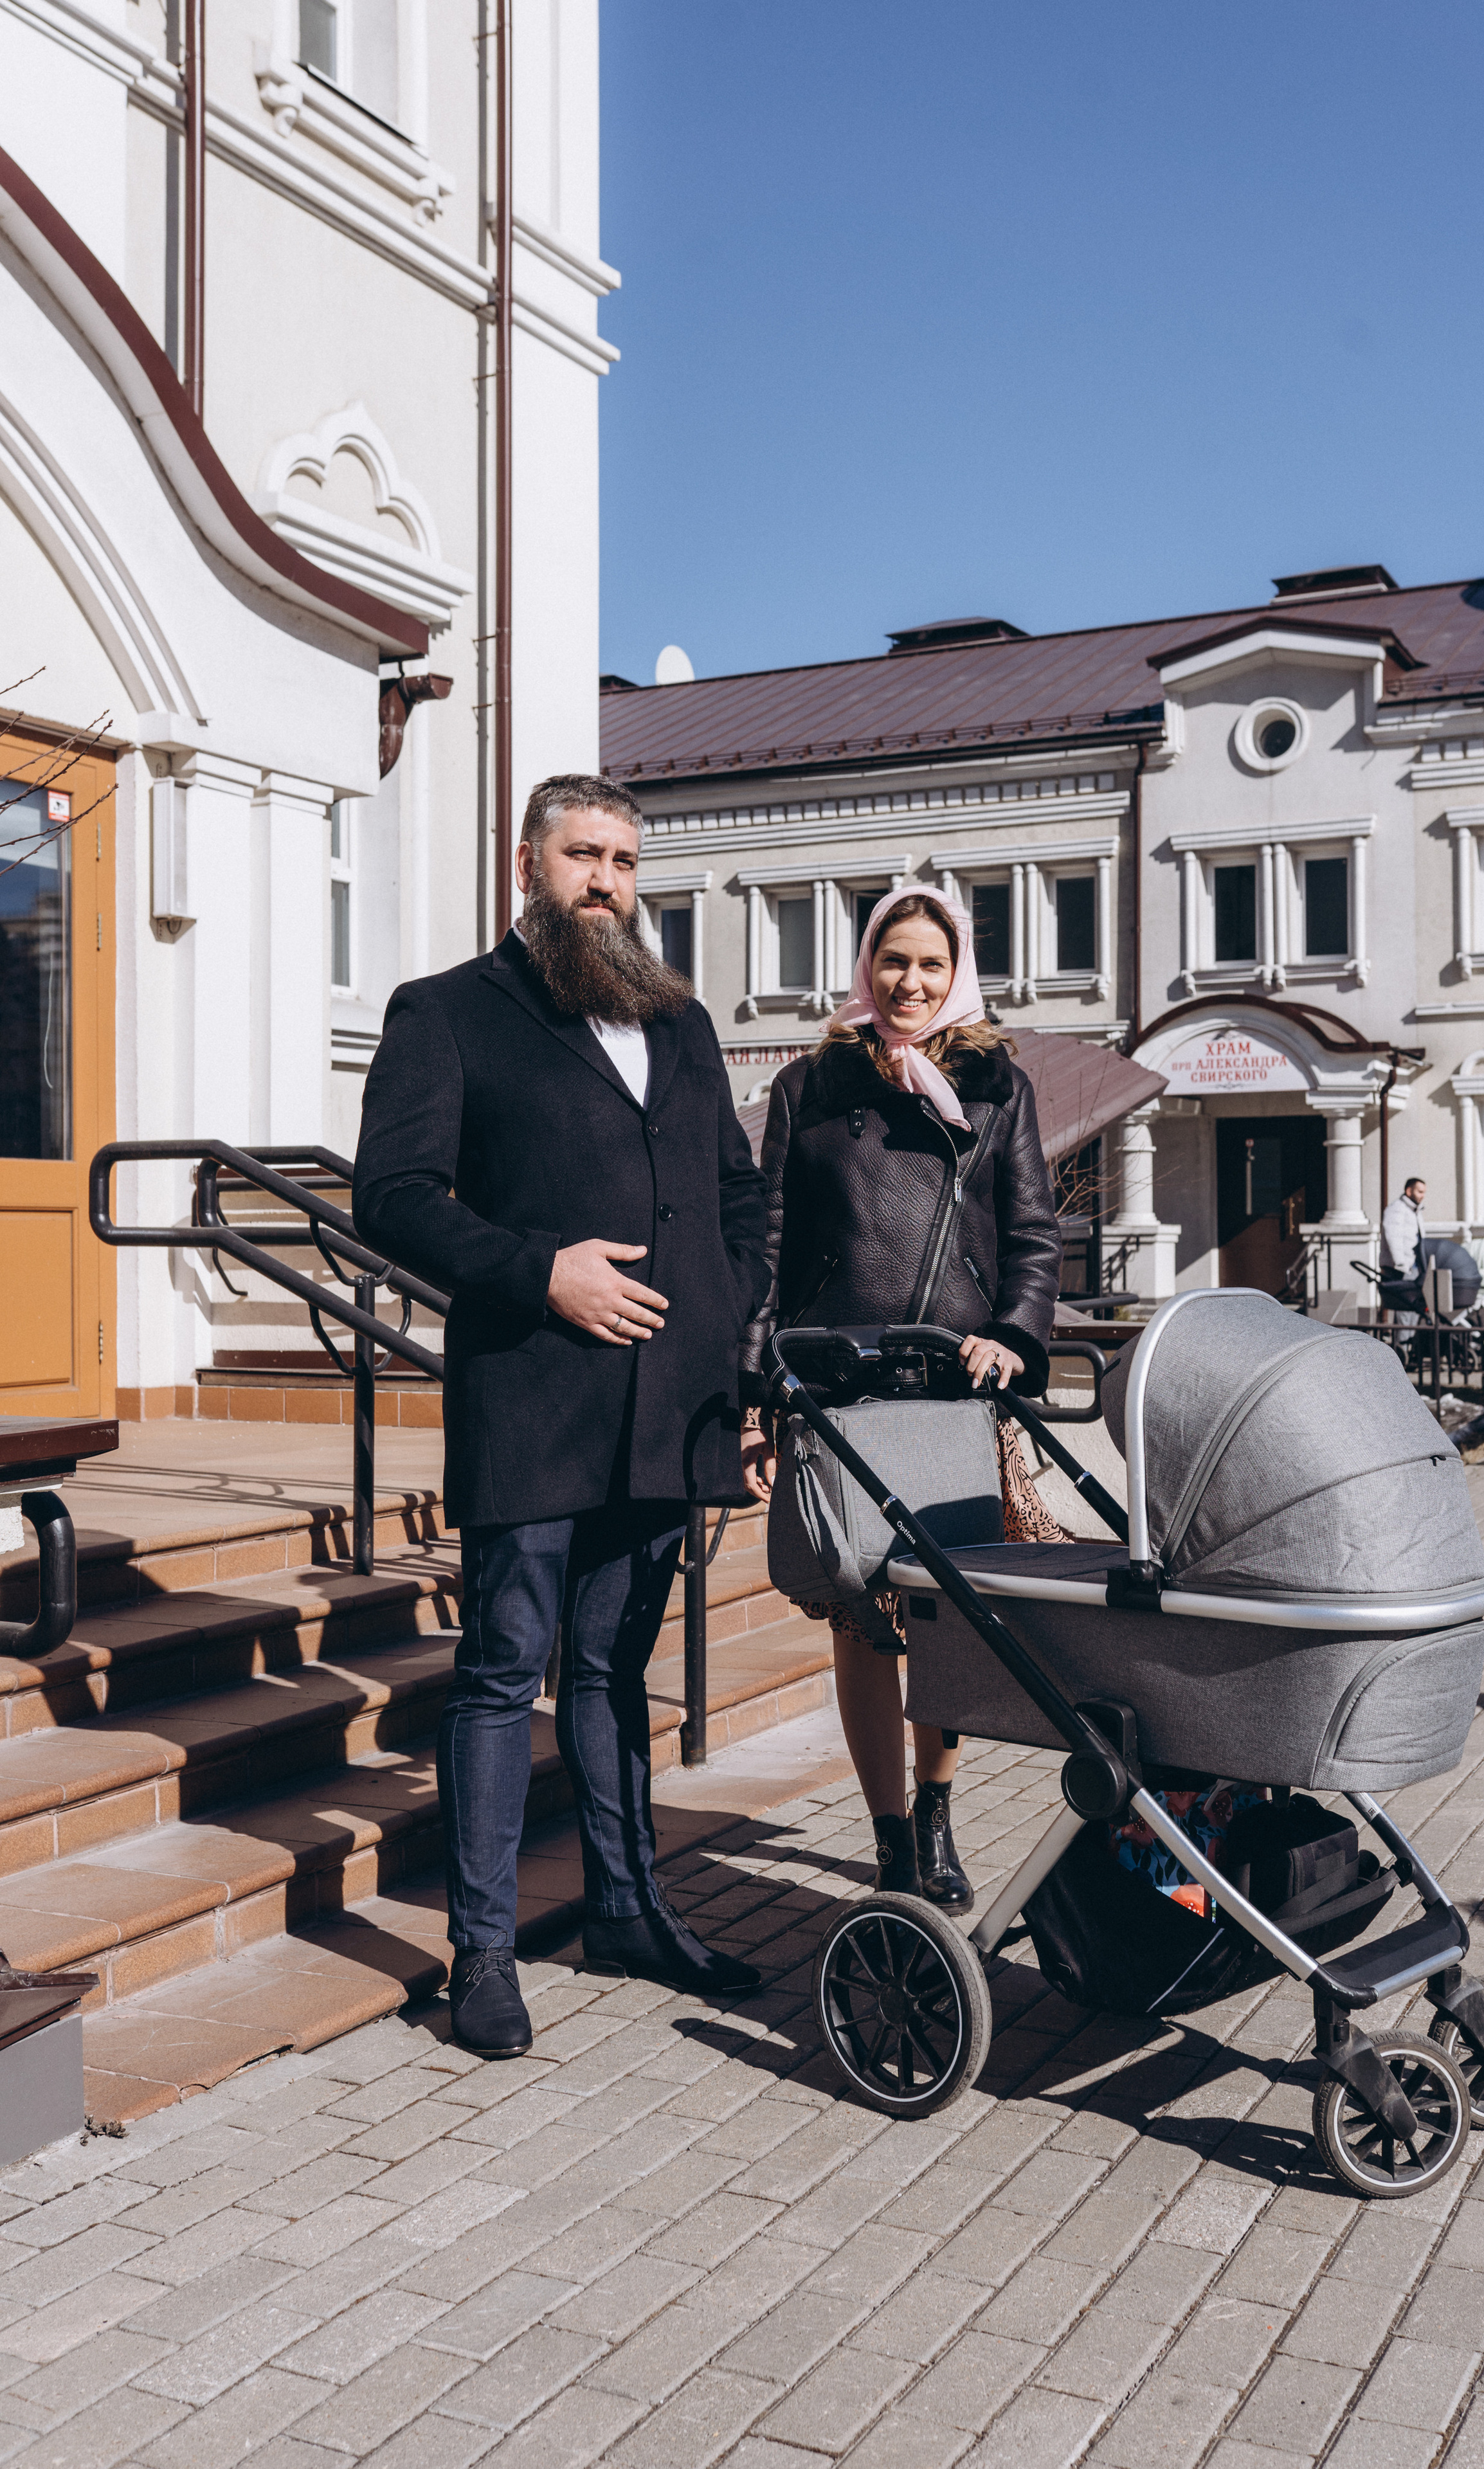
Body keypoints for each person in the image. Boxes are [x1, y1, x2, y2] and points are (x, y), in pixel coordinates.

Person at [353, 775, 770, 2058]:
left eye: (625, 860)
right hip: (533, 1398)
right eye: (582, 854)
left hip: (666, 1408)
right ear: (524, 864)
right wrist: (541, 1271)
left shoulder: (684, 1026)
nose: (605, 879)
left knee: (612, 1669)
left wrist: (723, 1327)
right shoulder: (448, 1014)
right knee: (499, 1674)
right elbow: (395, 1197)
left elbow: (737, 1201)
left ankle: (627, 1910)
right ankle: (480, 1953)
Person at [739, 887, 1062, 1913]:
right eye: (892, 963)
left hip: (953, 1381)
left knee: (943, 1620)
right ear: (864, 969)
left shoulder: (998, 1085)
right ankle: (888, 1840)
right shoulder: (810, 1086)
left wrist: (1013, 1336)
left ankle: (935, 1807)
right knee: (859, 1621)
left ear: (956, 970)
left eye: (929, 965)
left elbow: (1034, 1237)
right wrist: (760, 1391)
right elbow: (769, 1252)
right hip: (840, 1383)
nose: (910, 984)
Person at [1381, 1174, 1427, 1332]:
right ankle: (1403, 1347)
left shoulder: (1415, 1211)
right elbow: (1394, 1238)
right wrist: (1401, 1264)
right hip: (1402, 1268)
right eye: (1420, 1192)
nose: (1423, 1196)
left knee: (1413, 1307)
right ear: (1409, 1191)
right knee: (1405, 1308)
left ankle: (1407, 1343)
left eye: (1424, 1192)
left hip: (1414, 1266)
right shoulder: (1397, 1210)